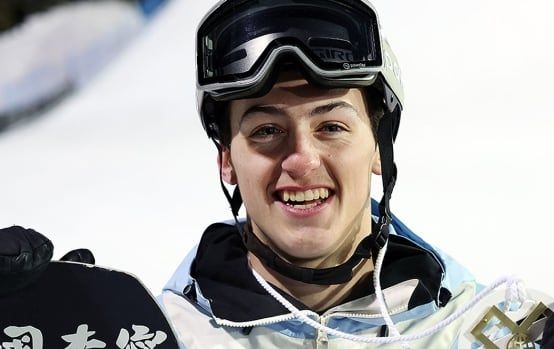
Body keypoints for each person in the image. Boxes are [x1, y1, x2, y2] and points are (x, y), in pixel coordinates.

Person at [159, 0, 482, 347]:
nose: (301, 160)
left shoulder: (476, 329)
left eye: (331, 127)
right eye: (267, 130)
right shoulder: (160, 335)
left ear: (379, 146)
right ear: (227, 159)